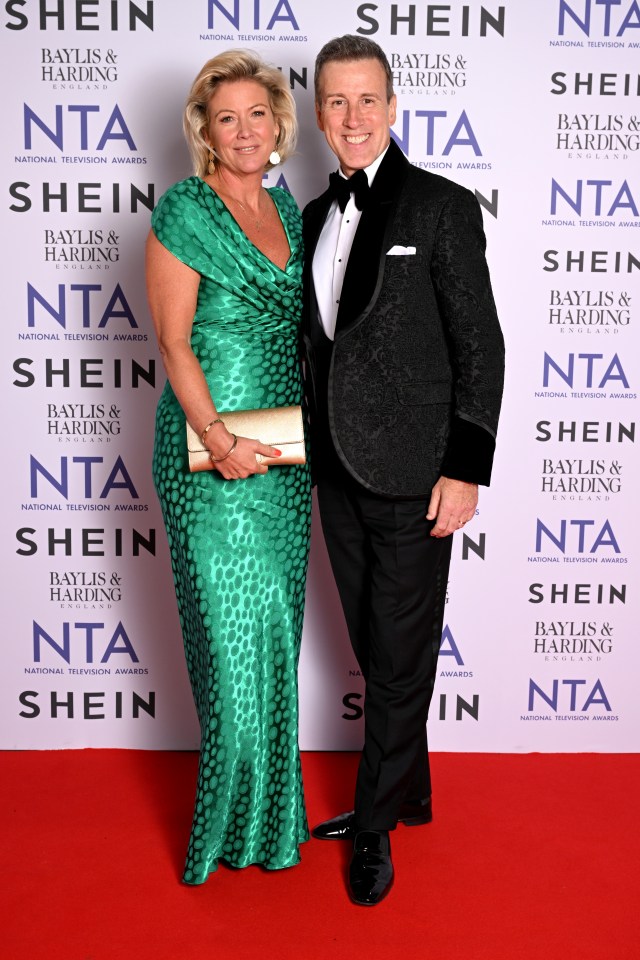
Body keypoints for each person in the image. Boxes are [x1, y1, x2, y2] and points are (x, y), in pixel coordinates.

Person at [302, 35, 505, 906]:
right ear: (319, 114)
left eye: (366, 101)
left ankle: (376, 826)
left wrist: (465, 471)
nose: (352, 119)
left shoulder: (441, 206)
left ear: (393, 106)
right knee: (378, 647)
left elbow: (481, 347)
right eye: (335, 103)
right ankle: (409, 789)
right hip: (334, 473)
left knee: (396, 660)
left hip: (418, 475)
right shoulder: (309, 215)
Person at [146, 50, 311, 884]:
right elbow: (174, 341)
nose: (245, 130)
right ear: (204, 133)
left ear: (279, 125)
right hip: (208, 456)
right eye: (226, 118)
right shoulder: (185, 209)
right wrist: (217, 438)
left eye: (258, 114)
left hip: (284, 455)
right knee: (227, 641)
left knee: (275, 631)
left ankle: (274, 822)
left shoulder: (296, 213)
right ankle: (225, 830)